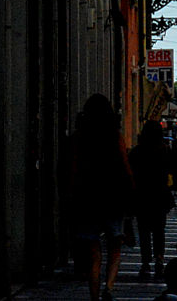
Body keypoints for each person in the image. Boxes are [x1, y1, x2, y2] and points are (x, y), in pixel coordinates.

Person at [71, 94, 135, 301]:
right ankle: (109, 287)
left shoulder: (79, 138)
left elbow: (73, 169)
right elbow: (126, 168)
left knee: (93, 252)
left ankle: (94, 295)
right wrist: (131, 192)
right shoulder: (114, 136)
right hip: (113, 198)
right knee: (115, 246)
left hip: (88, 199)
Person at [128, 121, 174, 280]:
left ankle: (146, 262)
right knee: (159, 229)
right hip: (160, 194)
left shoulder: (136, 151)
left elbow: (131, 173)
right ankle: (159, 258)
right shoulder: (164, 150)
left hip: (142, 195)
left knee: (144, 230)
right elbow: (171, 169)